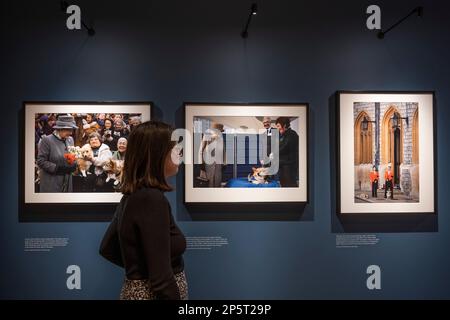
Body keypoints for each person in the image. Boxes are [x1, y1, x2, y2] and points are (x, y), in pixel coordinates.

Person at [99, 121, 187, 300]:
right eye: (175, 149)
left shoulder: (133, 195)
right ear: (157, 154)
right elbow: (161, 279)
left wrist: (138, 270)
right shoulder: (151, 199)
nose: (179, 153)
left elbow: (107, 248)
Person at [36, 115, 78, 192]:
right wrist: (57, 168)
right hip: (51, 183)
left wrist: (74, 164)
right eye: (68, 130)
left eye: (72, 130)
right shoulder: (46, 140)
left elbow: (72, 156)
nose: (71, 133)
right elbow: (41, 161)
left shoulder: (70, 140)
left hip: (67, 182)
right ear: (60, 129)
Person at [199, 122, 225, 188]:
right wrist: (201, 162)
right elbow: (201, 148)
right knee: (209, 180)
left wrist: (224, 162)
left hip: (218, 161)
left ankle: (216, 195)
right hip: (208, 161)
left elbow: (223, 149)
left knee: (218, 180)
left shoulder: (220, 136)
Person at [275, 117, 299, 187]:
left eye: (278, 126)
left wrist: (274, 154)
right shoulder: (283, 135)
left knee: (290, 187)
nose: (278, 128)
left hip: (289, 169)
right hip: (283, 167)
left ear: (284, 125)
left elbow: (284, 148)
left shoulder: (292, 135)